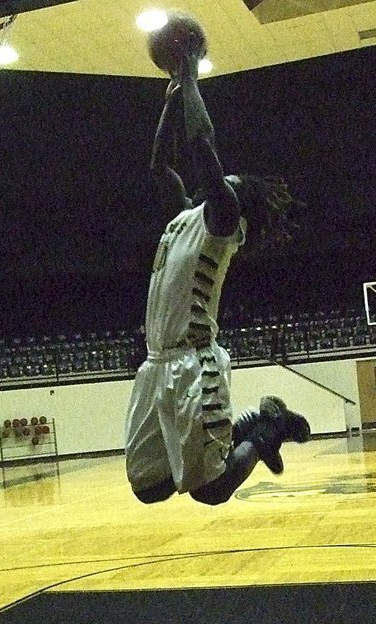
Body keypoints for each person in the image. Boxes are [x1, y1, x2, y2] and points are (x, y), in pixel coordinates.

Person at [124, 57, 308, 505]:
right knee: (149, 487)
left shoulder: (224, 222)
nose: (219, 178)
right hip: (155, 364)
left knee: (211, 491)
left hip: (193, 364)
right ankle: (249, 427)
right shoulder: (185, 215)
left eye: (227, 180)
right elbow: (158, 167)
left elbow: (201, 144)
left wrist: (189, 76)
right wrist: (171, 97)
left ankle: (268, 430)